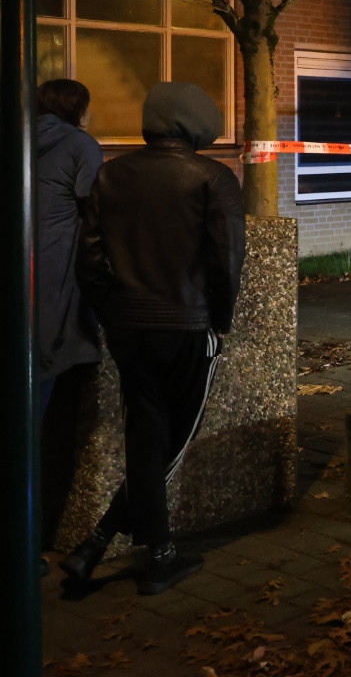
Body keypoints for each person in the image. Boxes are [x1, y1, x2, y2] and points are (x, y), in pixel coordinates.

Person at [61, 82, 245, 595]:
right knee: (172, 441)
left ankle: (104, 545)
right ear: (198, 125)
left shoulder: (111, 174)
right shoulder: (213, 177)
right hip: (188, 325)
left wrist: (112, 313)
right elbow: (227, 259)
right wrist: (220, 320)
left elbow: (89, 260)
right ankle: (141, 552)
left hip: (128, 328)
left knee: (146, 434)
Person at [34, 79, 104, 412]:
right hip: (57, 258)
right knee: (50, 350)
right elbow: (94, 205)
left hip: (24, 255)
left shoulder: (18, 138)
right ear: (78, 109)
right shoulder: (80, 144)